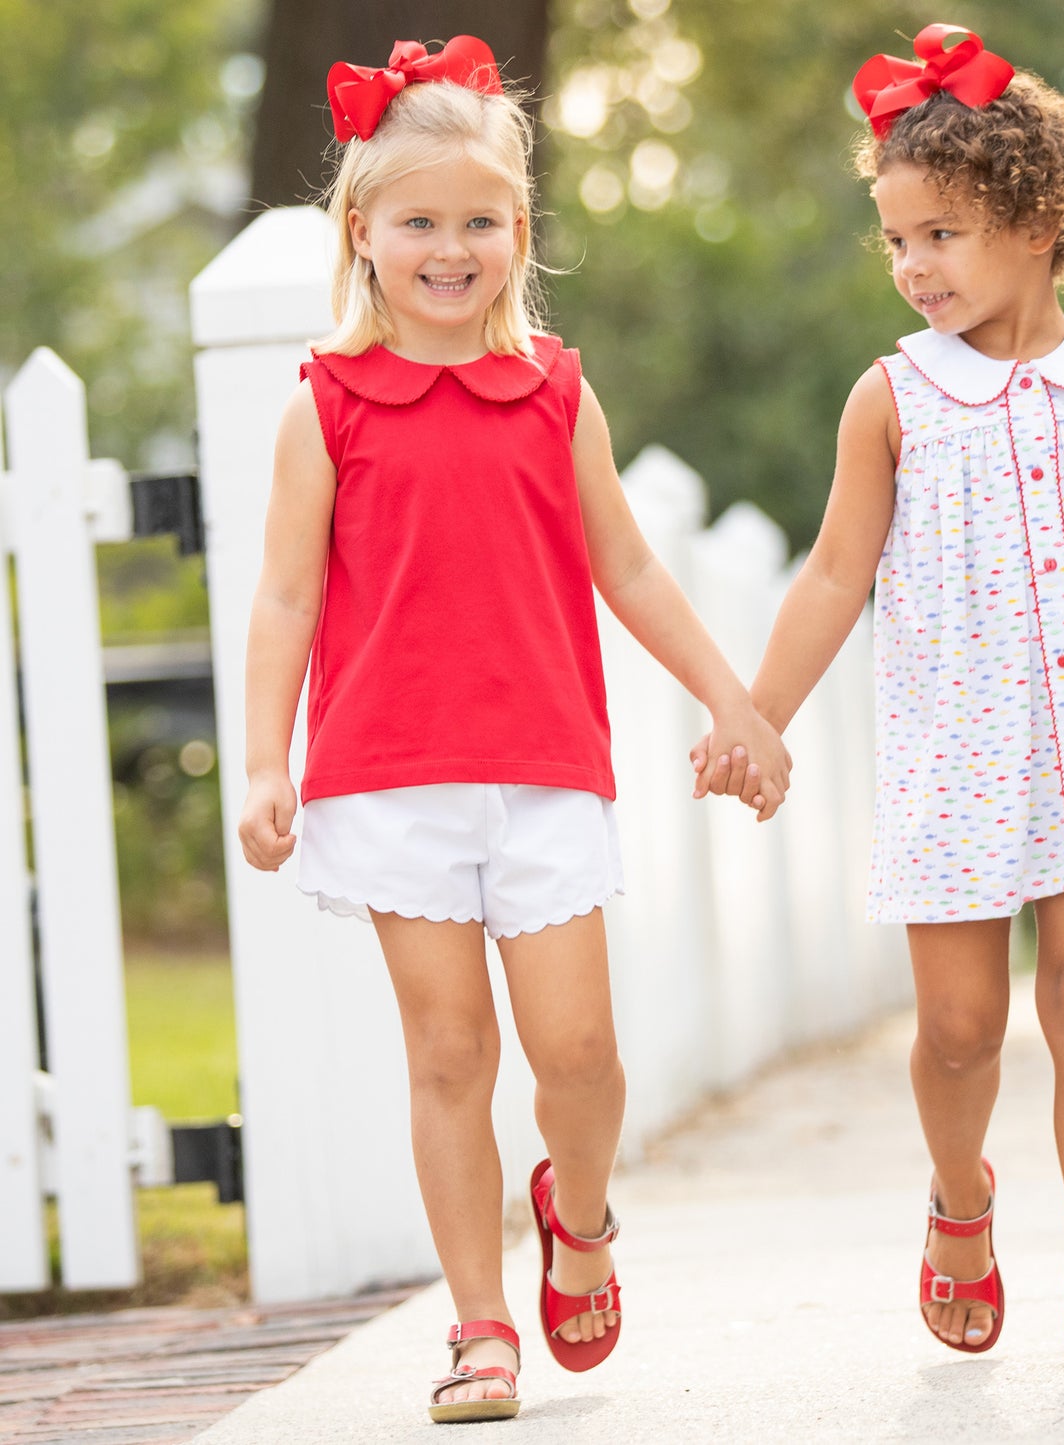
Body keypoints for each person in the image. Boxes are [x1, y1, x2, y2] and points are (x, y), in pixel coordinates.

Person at [236, 36, 790, 1423]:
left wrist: (734, 699)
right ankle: (480, 1324)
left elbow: (634, 568)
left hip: (544, 772)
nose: (448, 246)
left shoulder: (555, 391)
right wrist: (262, 760)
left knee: (580, 1057)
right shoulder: (326, 403)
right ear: (361, 232)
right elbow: (286, 595)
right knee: (446, 1053)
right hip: (383, 778)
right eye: (417, 220)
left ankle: (580, 1216)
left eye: (477, 220)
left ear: (517, 232)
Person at [695, 23, 1064, 1365]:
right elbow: (831, 575)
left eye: (938, 233)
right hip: (955, 752)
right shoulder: (892, 396)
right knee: (956, 1028)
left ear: (1036, 218)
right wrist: (754, 711)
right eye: (895, 240)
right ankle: (959, 1198)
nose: (912, 265)